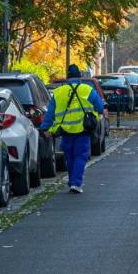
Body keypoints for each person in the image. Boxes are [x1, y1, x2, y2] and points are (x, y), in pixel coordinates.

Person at [40, 65, 105, 193]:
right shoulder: (87, 89)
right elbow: (99, 106)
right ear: (80, 76)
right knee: (81, 156)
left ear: (67, 77)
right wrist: (102, 111)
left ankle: (72, 181)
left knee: (69, 157)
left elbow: (50, 113)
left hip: (65, 130)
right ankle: (76, 183)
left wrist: (45, 128)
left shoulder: (58, 92)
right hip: (83, 130)